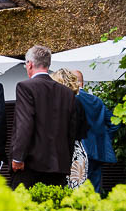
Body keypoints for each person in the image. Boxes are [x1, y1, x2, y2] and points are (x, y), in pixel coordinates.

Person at [10, 45, 89, 189]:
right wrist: (66, 162)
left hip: (31, 165)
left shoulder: (25, 87)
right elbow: (71, 132)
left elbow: (24, 124)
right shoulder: (67, 92)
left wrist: (18, 157)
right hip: (58, 165)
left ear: (30, 64)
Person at [76, 71, 117, 195]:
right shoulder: (97, 100)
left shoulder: (72, 99)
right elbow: (115, 122)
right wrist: (104, 138)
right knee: (95, 191)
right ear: (82, 82)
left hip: (79, 151)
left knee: (79, 191)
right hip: (98, 151)